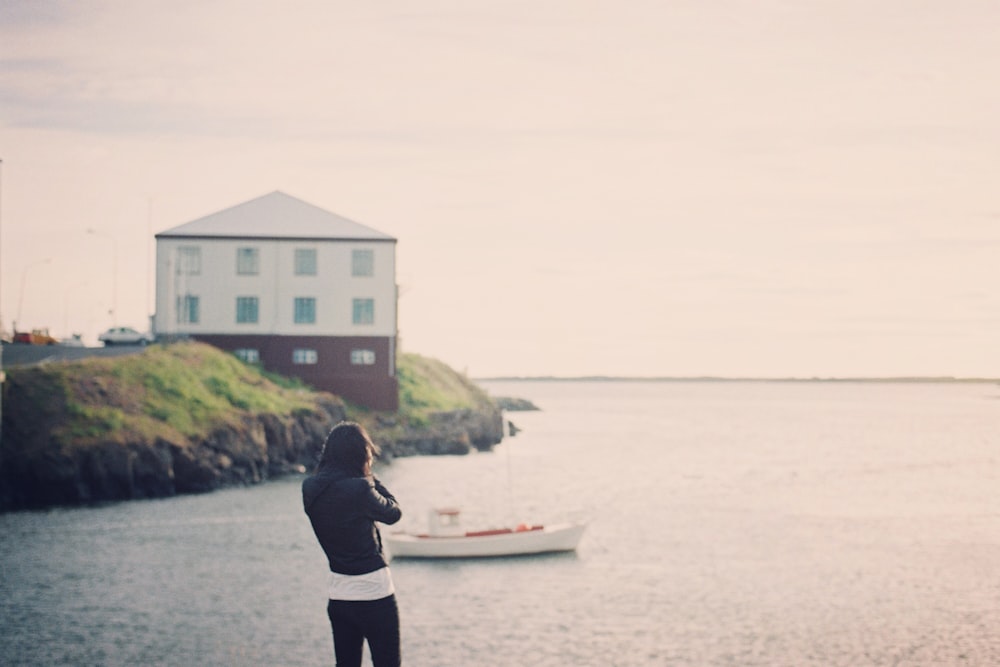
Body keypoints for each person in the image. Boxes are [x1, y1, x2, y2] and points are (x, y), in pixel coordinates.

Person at [303, 421, 403, 666]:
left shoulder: (310, 488)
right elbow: (393, 512)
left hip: (339, 596)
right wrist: (369, 476)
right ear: (360, 453)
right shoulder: (361, 488)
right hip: (376, 595)